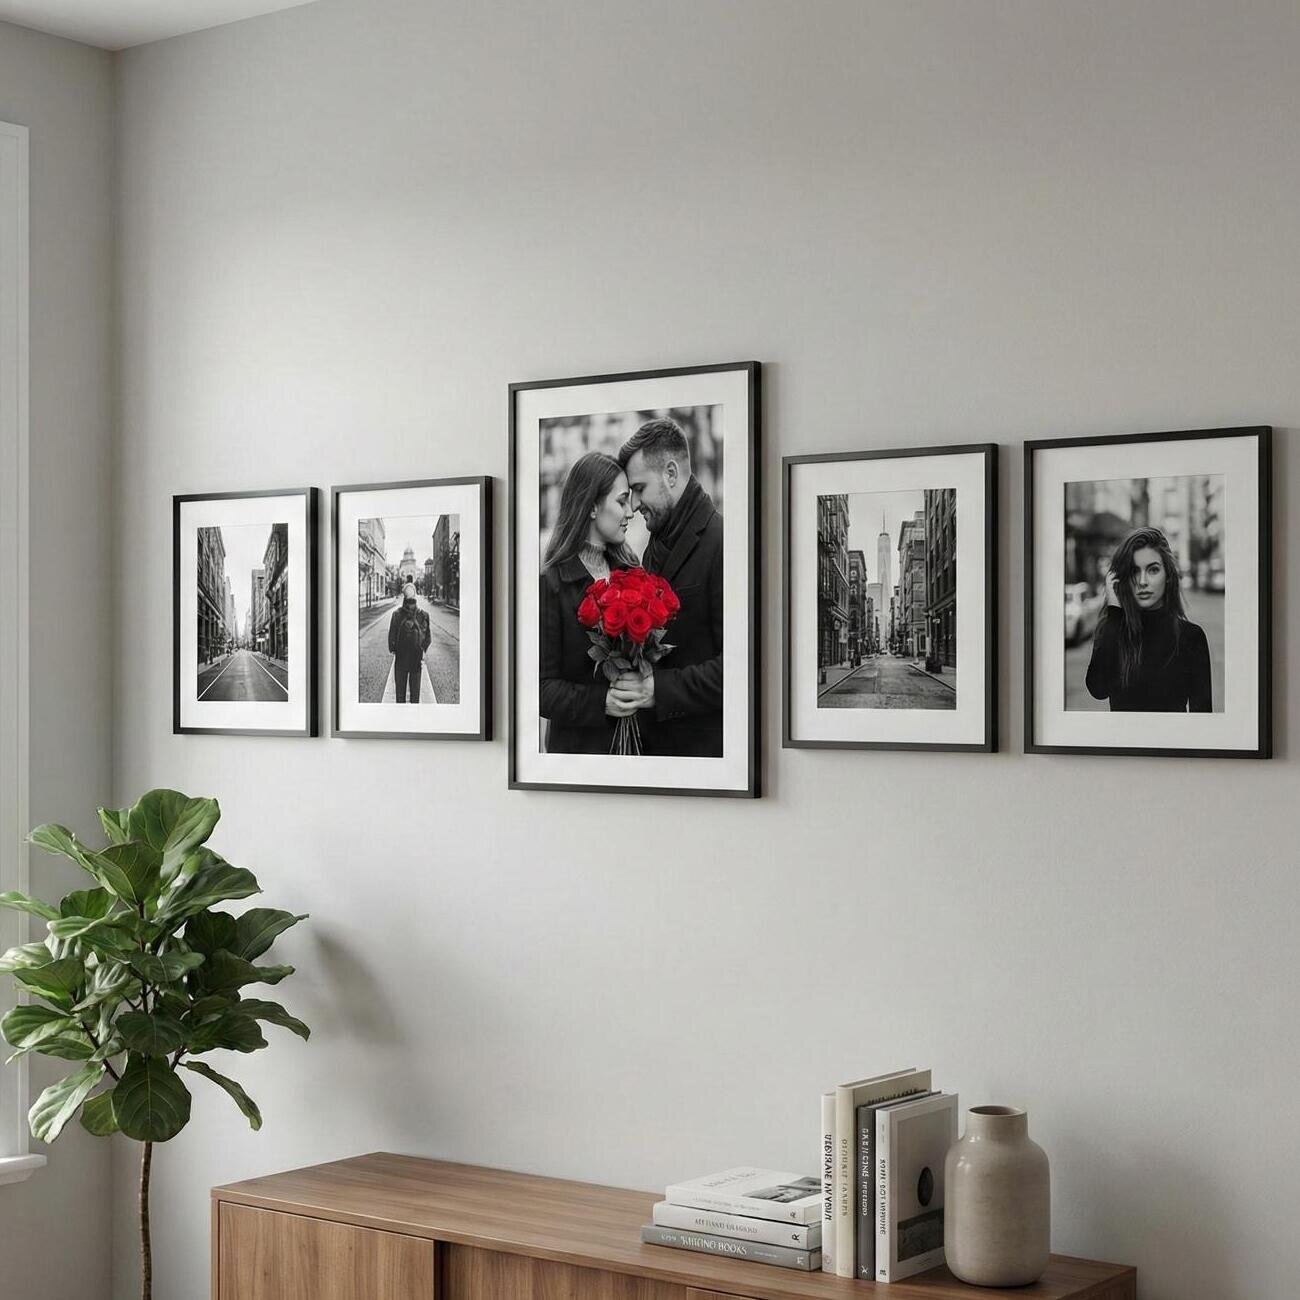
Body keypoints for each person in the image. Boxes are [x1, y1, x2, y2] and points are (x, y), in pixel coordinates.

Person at [616, 417, 724, 757]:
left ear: (671, 474)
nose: (633, 505)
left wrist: (657, 690)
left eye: (639, 489)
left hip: (700, 757)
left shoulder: (722, 541)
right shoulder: (656, 543)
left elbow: (741, 667)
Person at [539, 451, 645, 752]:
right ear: (593, 507)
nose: (630, 511)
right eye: (622, 500)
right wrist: (602, 702)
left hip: (638, 747)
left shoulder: (633, 571)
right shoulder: (551, 584)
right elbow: (541, 688)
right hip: (580, 753)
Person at [1085, 526, 1212, 712]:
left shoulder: (1191, 637)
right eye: (1135, 571)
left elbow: (1203, 720)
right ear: (1123, 578)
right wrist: (1114, 610)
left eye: (1153, 570)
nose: (1143, 581)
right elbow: (1098, 689)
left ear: (1168, 576)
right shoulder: (1113, 630)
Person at [388, 583, 431, 703]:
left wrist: (394, 648)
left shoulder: (396, 614)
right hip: (416, 659)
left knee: (400, 695)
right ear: (415, 595)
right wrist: (423, 650)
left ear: (404, 596)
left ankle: (401, 718)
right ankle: (414, 718)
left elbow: (391, 637)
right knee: (415, 694)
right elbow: (428, 637)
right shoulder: (424, 615)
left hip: (401, 659)